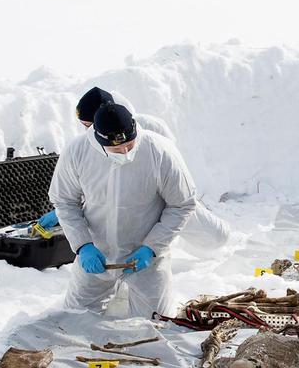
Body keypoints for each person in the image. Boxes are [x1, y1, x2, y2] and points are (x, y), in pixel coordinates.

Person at [49, 103, 197, 318]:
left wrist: (152, 247)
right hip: (97, 254)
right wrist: (83, 245)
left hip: (146, 258)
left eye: (130, 144)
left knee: (156, 325)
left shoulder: (160, 152)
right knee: (74, 320)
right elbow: (64, 200)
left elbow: (182, 204)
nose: (126, 153)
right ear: (99, 142)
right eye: (117, 150)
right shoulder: (77, 151)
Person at [36, 86, 230, 249]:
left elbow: (166, 175)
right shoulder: (91, 143)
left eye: (89, 124)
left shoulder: (148, 130)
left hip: (163, 198)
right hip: (131, 214)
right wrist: (68, 209)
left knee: (216, 238)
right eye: (84, 126)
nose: (88, 131)